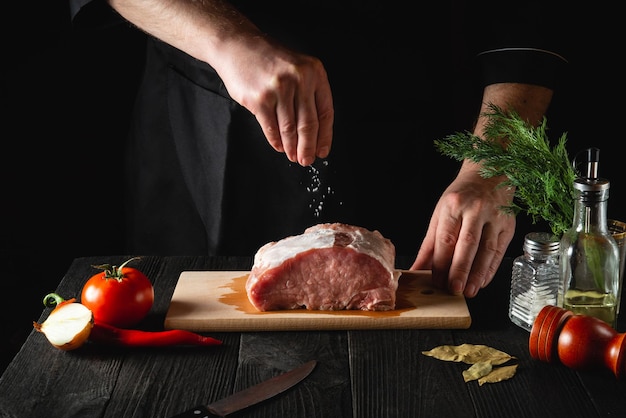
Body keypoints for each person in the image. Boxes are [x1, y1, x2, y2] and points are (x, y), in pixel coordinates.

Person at [69, 0, 569, 298]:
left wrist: (491, 166)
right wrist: (229, 42)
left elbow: (525, 19)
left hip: (419, 137)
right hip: (206, 124)